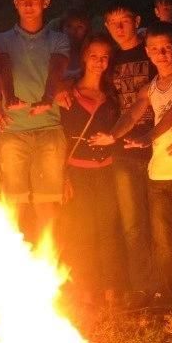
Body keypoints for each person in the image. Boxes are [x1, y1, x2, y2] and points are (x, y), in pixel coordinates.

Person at [96, 22, 172, 315]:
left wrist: (148, 137)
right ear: (147, 52)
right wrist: (114, 135)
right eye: (155, 49)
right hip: (158, 174)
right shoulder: (150, 87)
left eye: (167, 47)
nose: (161, 54)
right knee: (164, 246)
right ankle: (169, 303)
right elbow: (132, 114)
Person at [0, 0, 70, 244]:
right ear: (15, 3)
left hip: (48, 130)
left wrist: (49, 97)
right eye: (23, 1)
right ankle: (12, 266)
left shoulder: (58, 39)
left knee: (47, 205)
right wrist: (8, 96)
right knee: (13, 205)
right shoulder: (0, 39)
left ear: (45, 2)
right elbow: (3, 66)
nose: (28, 6)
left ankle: (47, 263)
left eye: (34, 0)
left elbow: (57, 67)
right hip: (12, 131)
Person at [57, 35, 121, 306]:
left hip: (106, 171)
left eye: (105, 57)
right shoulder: (68, 95)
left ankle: (111, 288)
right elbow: (61, 136)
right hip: (78, 172)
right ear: (84, 57)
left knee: (108, 229)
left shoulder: (112, 96)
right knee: (82, 230)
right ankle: (85, 287)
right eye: (94, 56)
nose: (99, 62)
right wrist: (62, 176)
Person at [99, 0, 154, 306]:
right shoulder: (110, 61)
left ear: (136, 21)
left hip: (156, 144)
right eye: (112, 23)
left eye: (124, 21)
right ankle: (141, 287)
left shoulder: (152, 52)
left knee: (160, 222)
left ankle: (165, 287)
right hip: (123, 150)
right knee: (132, 224)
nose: (119, 28)